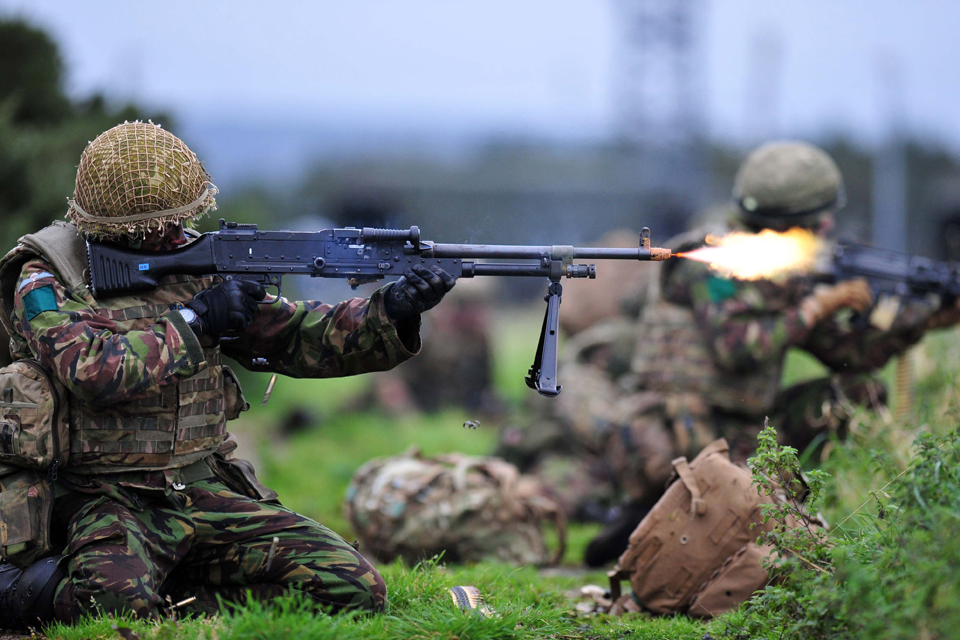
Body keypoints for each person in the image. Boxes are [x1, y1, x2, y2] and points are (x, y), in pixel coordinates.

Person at [0, 121, 457, 628]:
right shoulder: (47, 278)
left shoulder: (197, 262)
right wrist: (196, 320)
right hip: (103, 496)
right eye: (154, 228)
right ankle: (25, 591)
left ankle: (174, 596)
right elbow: (92, 369)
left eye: (179, 222)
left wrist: (391, 311)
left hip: (200, 489)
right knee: (107, 605)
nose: (171, 236)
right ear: (109, 224)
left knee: (353, 587)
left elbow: (297, 337)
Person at [505, 141, 960, 566]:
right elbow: (737, 350)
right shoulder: (714, 261)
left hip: (748, 433)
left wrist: (921, 322)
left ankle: (749, 509)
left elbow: (846, 354)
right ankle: (666, 516)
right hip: (674, 434)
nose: (827, 228)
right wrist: (821, 304)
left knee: (855, 393)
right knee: (693, 482)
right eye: (820, 219)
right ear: (797, 220)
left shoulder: (792, 272)